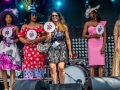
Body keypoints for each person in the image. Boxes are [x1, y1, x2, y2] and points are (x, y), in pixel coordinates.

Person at [18, 5, 47, 79]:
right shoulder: (24, 26)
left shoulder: (40, 25)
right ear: (29, 16)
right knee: (29, 64)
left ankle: (38, 81)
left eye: (36, 15)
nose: (35, 16)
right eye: (33, 15)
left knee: (38, 63)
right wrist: (26, 41)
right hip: (28, 49)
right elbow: (20, 37)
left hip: (38, 49)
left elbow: (45, 36)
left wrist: (37, 40)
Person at [46, 11, 72, 84]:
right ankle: (55, 86)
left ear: (59, 16)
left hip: (62, 47)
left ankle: (62, 85)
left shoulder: (64, 26)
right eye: (53, 16)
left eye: (56, 15)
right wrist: (49, 36)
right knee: (52, 68)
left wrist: (70, 51)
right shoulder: (48, 27)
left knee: (61, 68)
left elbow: (67, 39)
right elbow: (47, 41)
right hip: (52, 47)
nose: (54, 17)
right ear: (51, 17)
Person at [82, 5, 107, 77]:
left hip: (100, 43)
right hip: (91, 44)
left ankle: (100, 82)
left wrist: (103, 47)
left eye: (90, 14)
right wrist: (94, 36)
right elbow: (83, 35)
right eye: (89, 14)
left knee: (101, 64)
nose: (89, 15)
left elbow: (104, 35)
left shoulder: (102, 23)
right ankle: (92, 82)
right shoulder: (87, 23)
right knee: (92, 64)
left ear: (95, 13)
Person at [0, 9, 21, 90]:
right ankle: (5, 87)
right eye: (7, 17)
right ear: (4, 19)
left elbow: (19, 39)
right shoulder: (1, 29)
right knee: (3, 68)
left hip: (12, 48)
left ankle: (11, 87)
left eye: (10, 17)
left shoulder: (15, 28)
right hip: (3, 48)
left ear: (12, 19)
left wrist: (12, 40)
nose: (8, 19)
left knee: (12, 68)